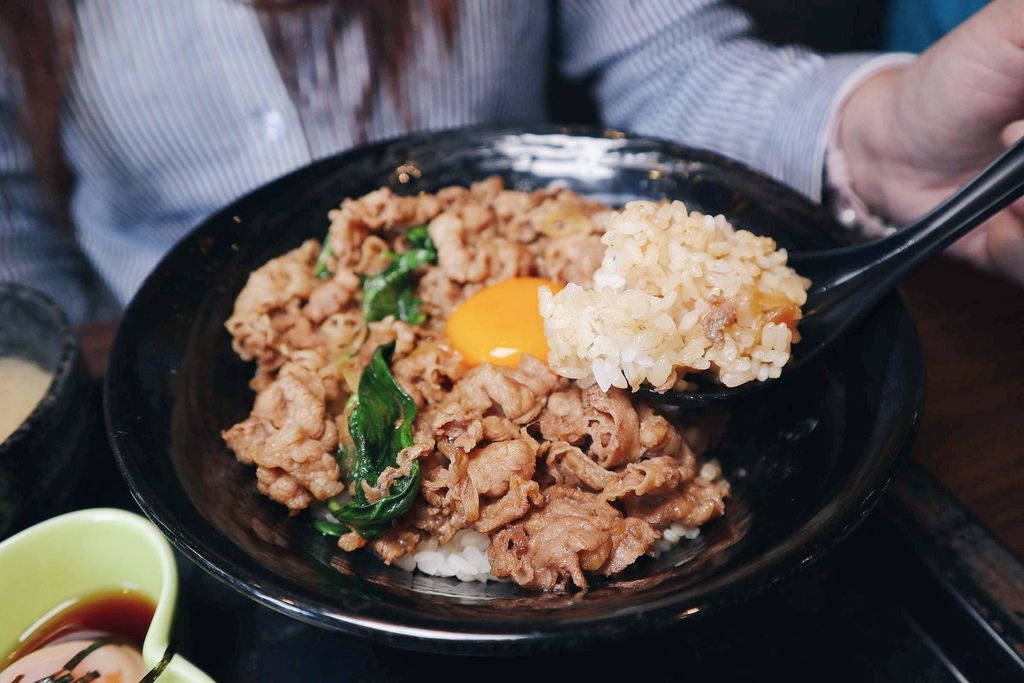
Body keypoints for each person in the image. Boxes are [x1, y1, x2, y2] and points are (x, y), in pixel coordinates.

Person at [1, 0, 1022, 326]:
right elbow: (10, 225)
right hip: (156, 386)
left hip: (541, 276)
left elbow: (666, 60)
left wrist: (879, 138)